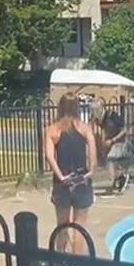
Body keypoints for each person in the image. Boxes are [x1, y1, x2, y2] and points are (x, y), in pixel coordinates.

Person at [43, 94, 97, 256]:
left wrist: (60, 176)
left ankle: (61, 259)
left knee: (62, 223)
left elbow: (49, 156)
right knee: (79, 225)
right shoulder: (85, 128)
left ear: (60, 107)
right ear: (77, 108)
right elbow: (92, 155)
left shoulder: (52, 130)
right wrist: (91, 172)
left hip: (62, 182)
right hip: (82, 180)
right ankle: (78, 261)